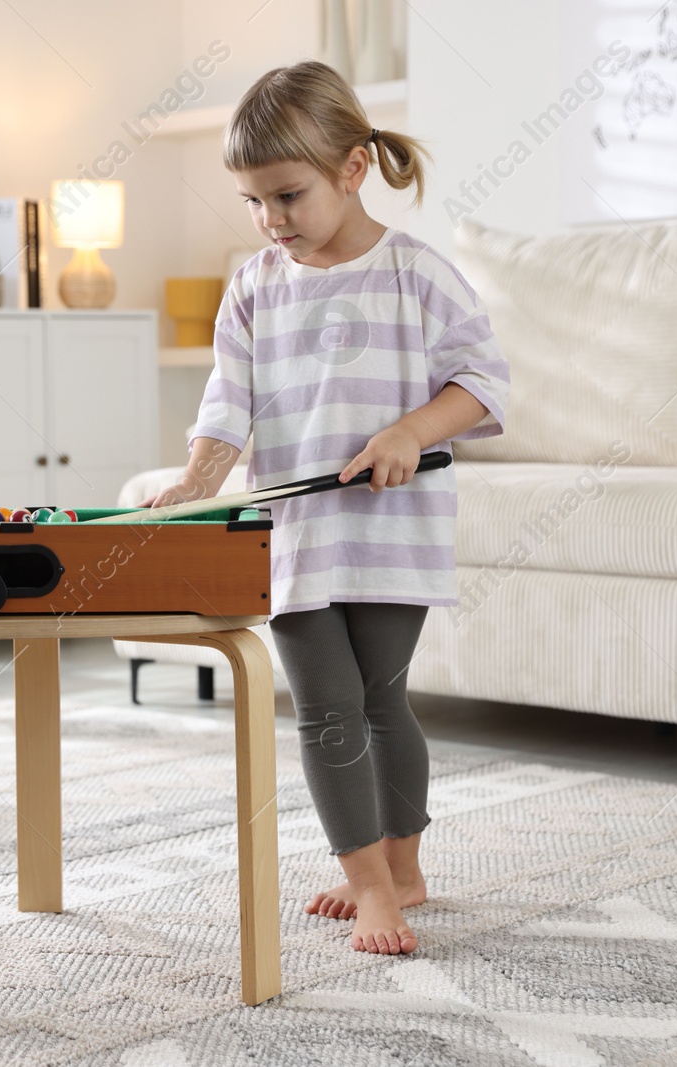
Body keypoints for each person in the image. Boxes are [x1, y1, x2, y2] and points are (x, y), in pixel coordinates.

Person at [141, 61, 510, 955]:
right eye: (254, 202)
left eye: (288, 195)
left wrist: (410, 430)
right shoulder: (256, 285)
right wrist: (197, 477)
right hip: (299, 535)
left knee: (384, 701)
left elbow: (484, 386)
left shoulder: (419, 274)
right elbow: (227, 403)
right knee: (325, 708)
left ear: (352, 169)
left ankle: (406, 864)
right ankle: (370, 881)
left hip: (395, 533)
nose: (272, 220)